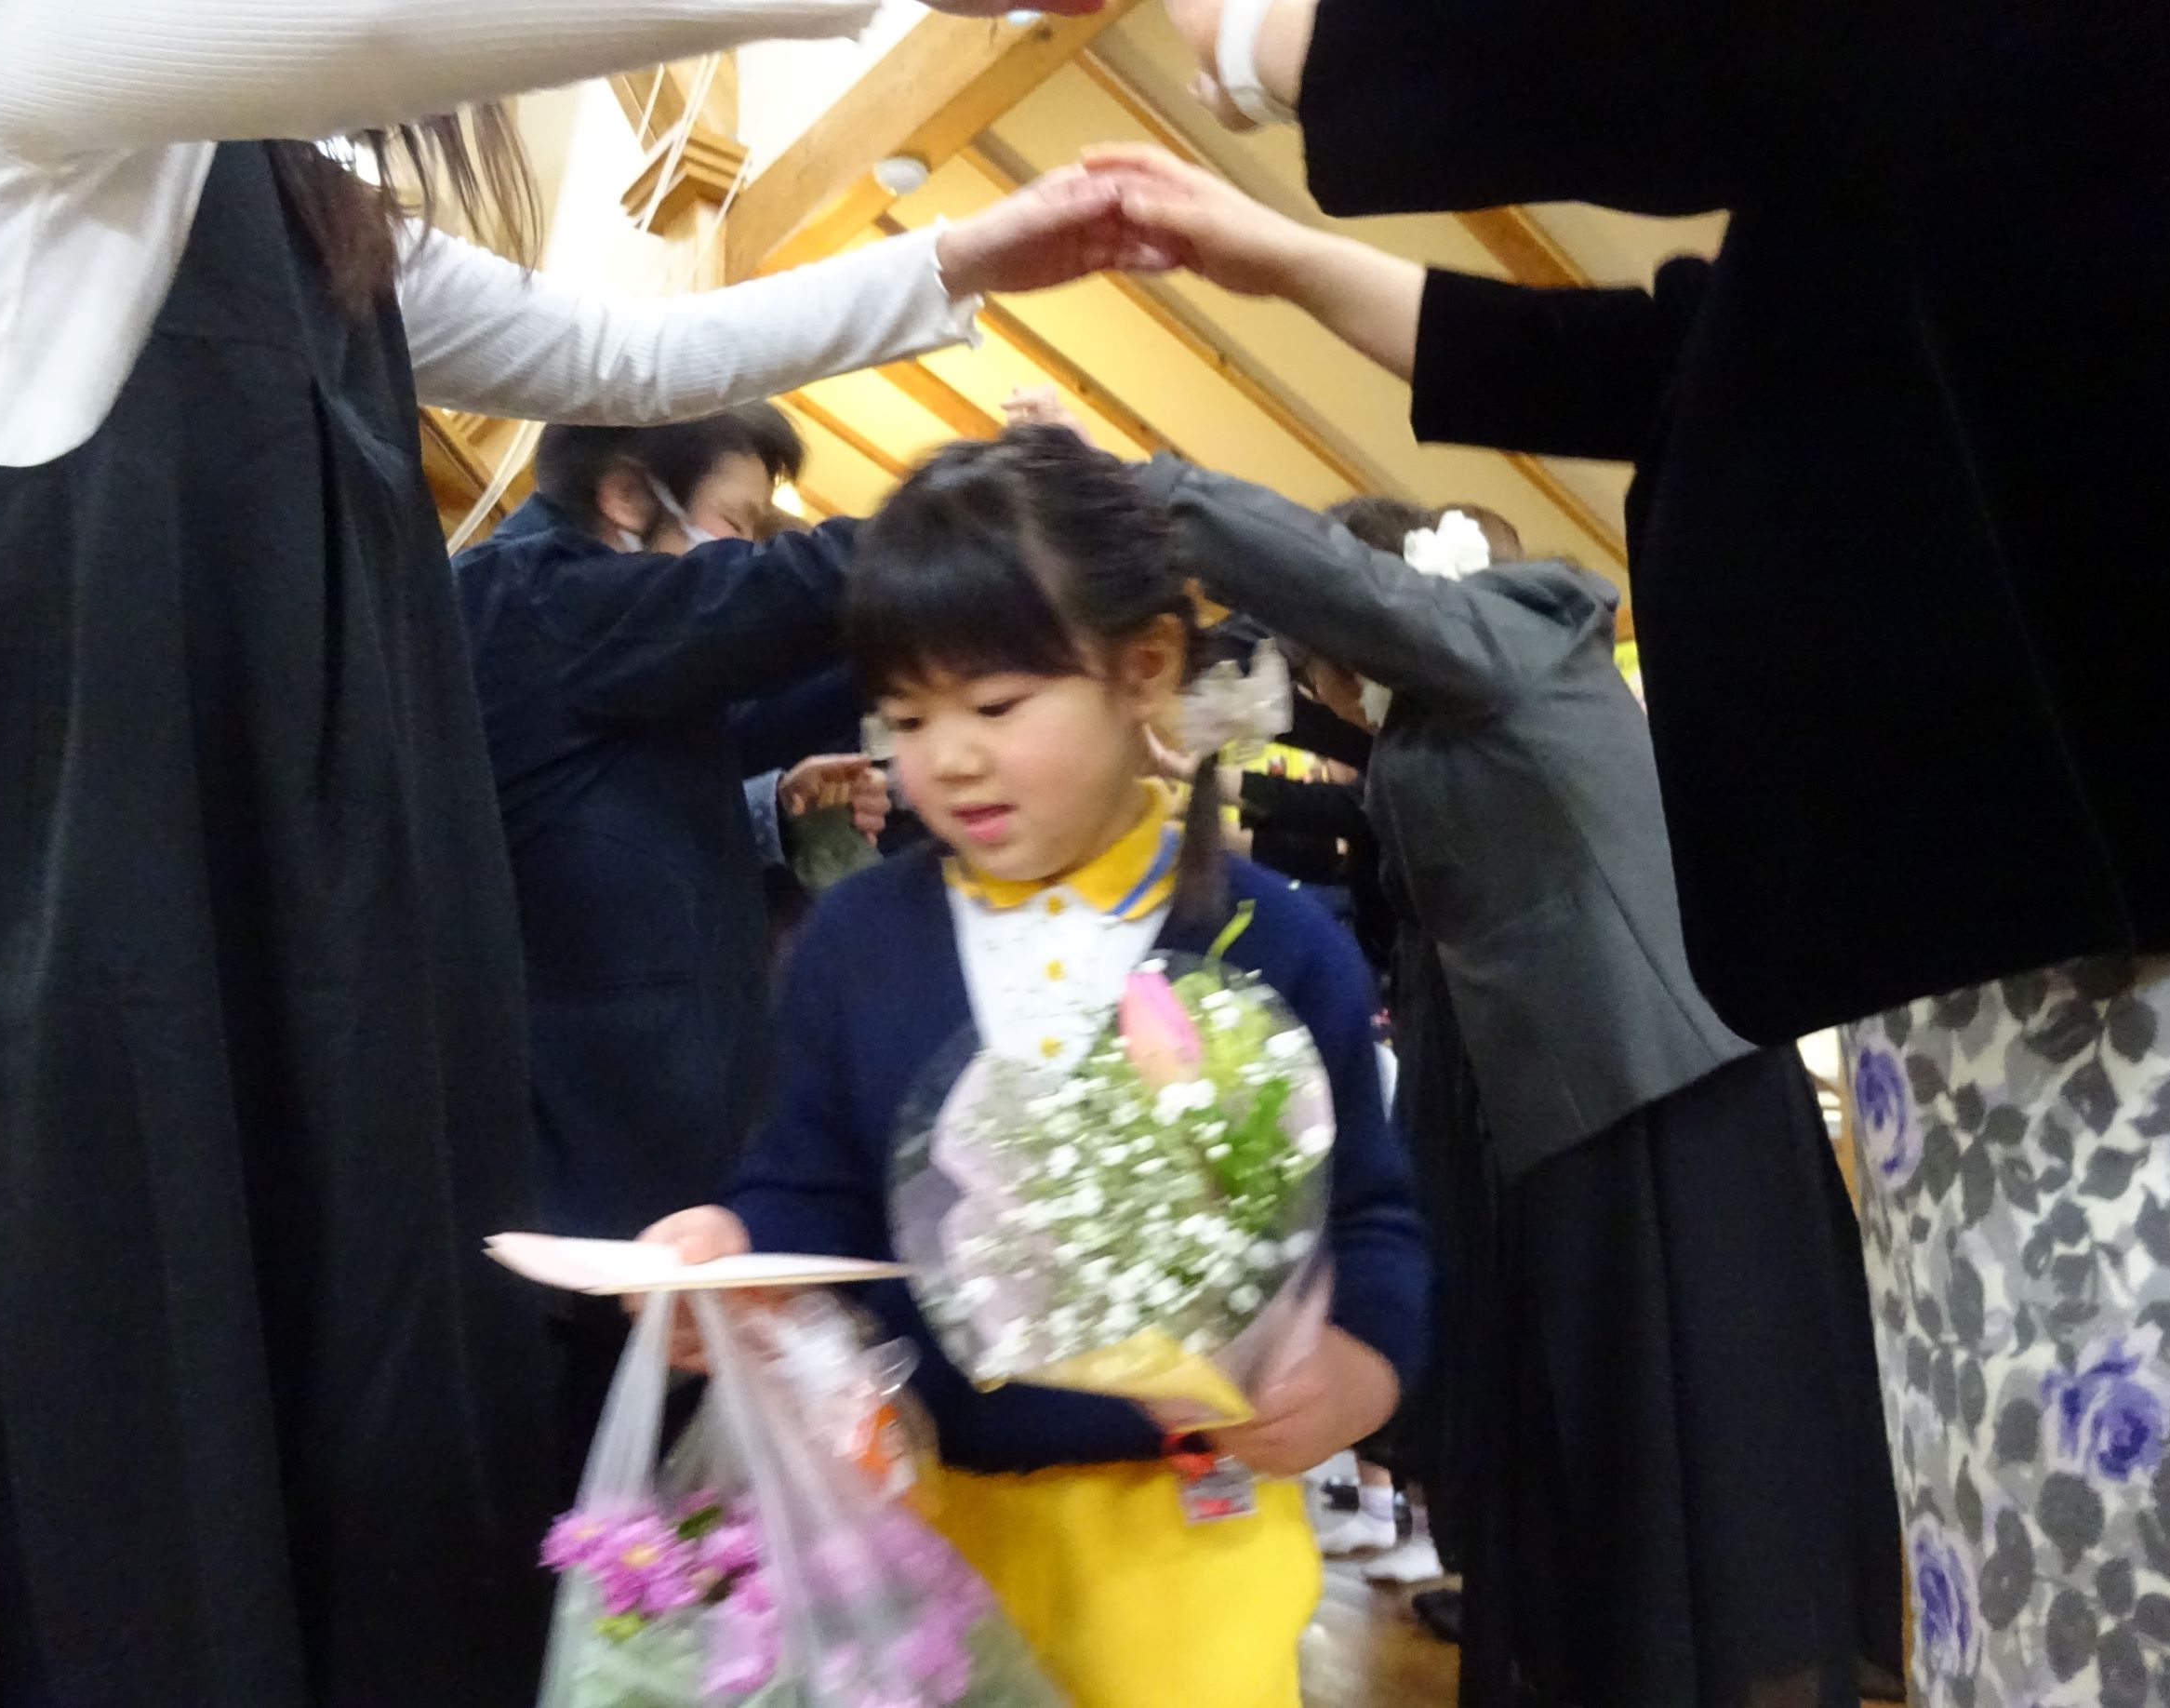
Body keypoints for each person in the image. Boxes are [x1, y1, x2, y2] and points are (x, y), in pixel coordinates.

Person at [0, 3, 1144, 1699]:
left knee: (377, 1433)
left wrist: (957, 259)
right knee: (153, 1443)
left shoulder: (303, 212)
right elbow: (381, 28)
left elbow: (630, 358)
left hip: (339, 959)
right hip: (112, 941)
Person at [1111, 3, 2170, 1693]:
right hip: (1957, 987)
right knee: (2012, 1567)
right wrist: (1282, 262)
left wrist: (1271, 44)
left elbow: (1755, 58)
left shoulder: (1502, 631)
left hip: (2083, 970)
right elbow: (1678, 356)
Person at [638, 426, 1429, 1708]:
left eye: (996, 706)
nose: (946, 756)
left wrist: (1353, 1373)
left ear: (1143, 669)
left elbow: (1374, 1224)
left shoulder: (1272, 942)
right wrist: (731, 1259)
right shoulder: (859, 941)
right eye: (906, 718)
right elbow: (808, 1189)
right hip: (916, 1548)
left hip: (1186, 1553)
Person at [1130, 459, 1902, 1707]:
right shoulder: (1451, 711)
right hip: (1568, 1108)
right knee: (1600, 1454)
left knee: (1695, 1450)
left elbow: (1348, 611)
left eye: (1325, 664)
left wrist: (1156, 494)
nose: (1328, 695)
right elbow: (1356, 792)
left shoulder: (1520, 629)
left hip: (1654, 1093)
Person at [454, 406, 896, 1485]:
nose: (743, 553)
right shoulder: (529, 596)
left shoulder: (596, 642)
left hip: (646, 1184)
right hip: (580, 1201)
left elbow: (741, 715)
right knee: (573, 1510)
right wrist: (980, 509)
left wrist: (778, 812)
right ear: (624, 497)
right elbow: (780, 598)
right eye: (735, 523)